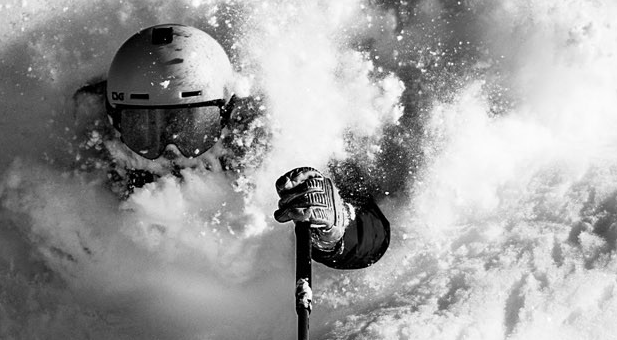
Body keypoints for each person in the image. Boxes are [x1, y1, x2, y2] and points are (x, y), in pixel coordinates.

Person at [73, 24, 390, 270]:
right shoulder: (96, 143)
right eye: (144, 128)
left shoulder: (260, 138)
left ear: (226, 112)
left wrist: (337, 229)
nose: (171, 149)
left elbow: (371, 226)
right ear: (113, 116)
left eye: (190, 127)